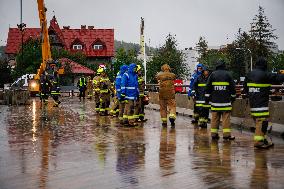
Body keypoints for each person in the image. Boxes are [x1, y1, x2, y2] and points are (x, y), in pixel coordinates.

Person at [243, 57, 284, 149]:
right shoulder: (265, 74)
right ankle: (258, 142)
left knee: (259, 123)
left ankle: (264, 139)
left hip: (252, 103)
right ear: (265, 65)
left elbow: (245, 87)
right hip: (261, 103)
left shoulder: (249, 74)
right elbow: (278, 78)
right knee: (262, 122)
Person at [205, 60, 236, 140]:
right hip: (226, 102)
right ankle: (226, 135)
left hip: (215, 102)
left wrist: (207, 98)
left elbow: (208, 87)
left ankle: (214, 134)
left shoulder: (212, 74)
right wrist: (233, 97)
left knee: (215, 118)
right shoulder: (228, 74)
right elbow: (233, 87)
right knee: (226, 119)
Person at [156, 64, 176, 128]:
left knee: (163, 108)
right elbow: (174, 80)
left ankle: (164, 122)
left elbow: (157, 79)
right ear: (169, 68)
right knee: (172, 106)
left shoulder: (159, 75)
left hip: (162, 93)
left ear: (162, 69)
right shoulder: (173, 75)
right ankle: (172, 116)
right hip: (170, 93)